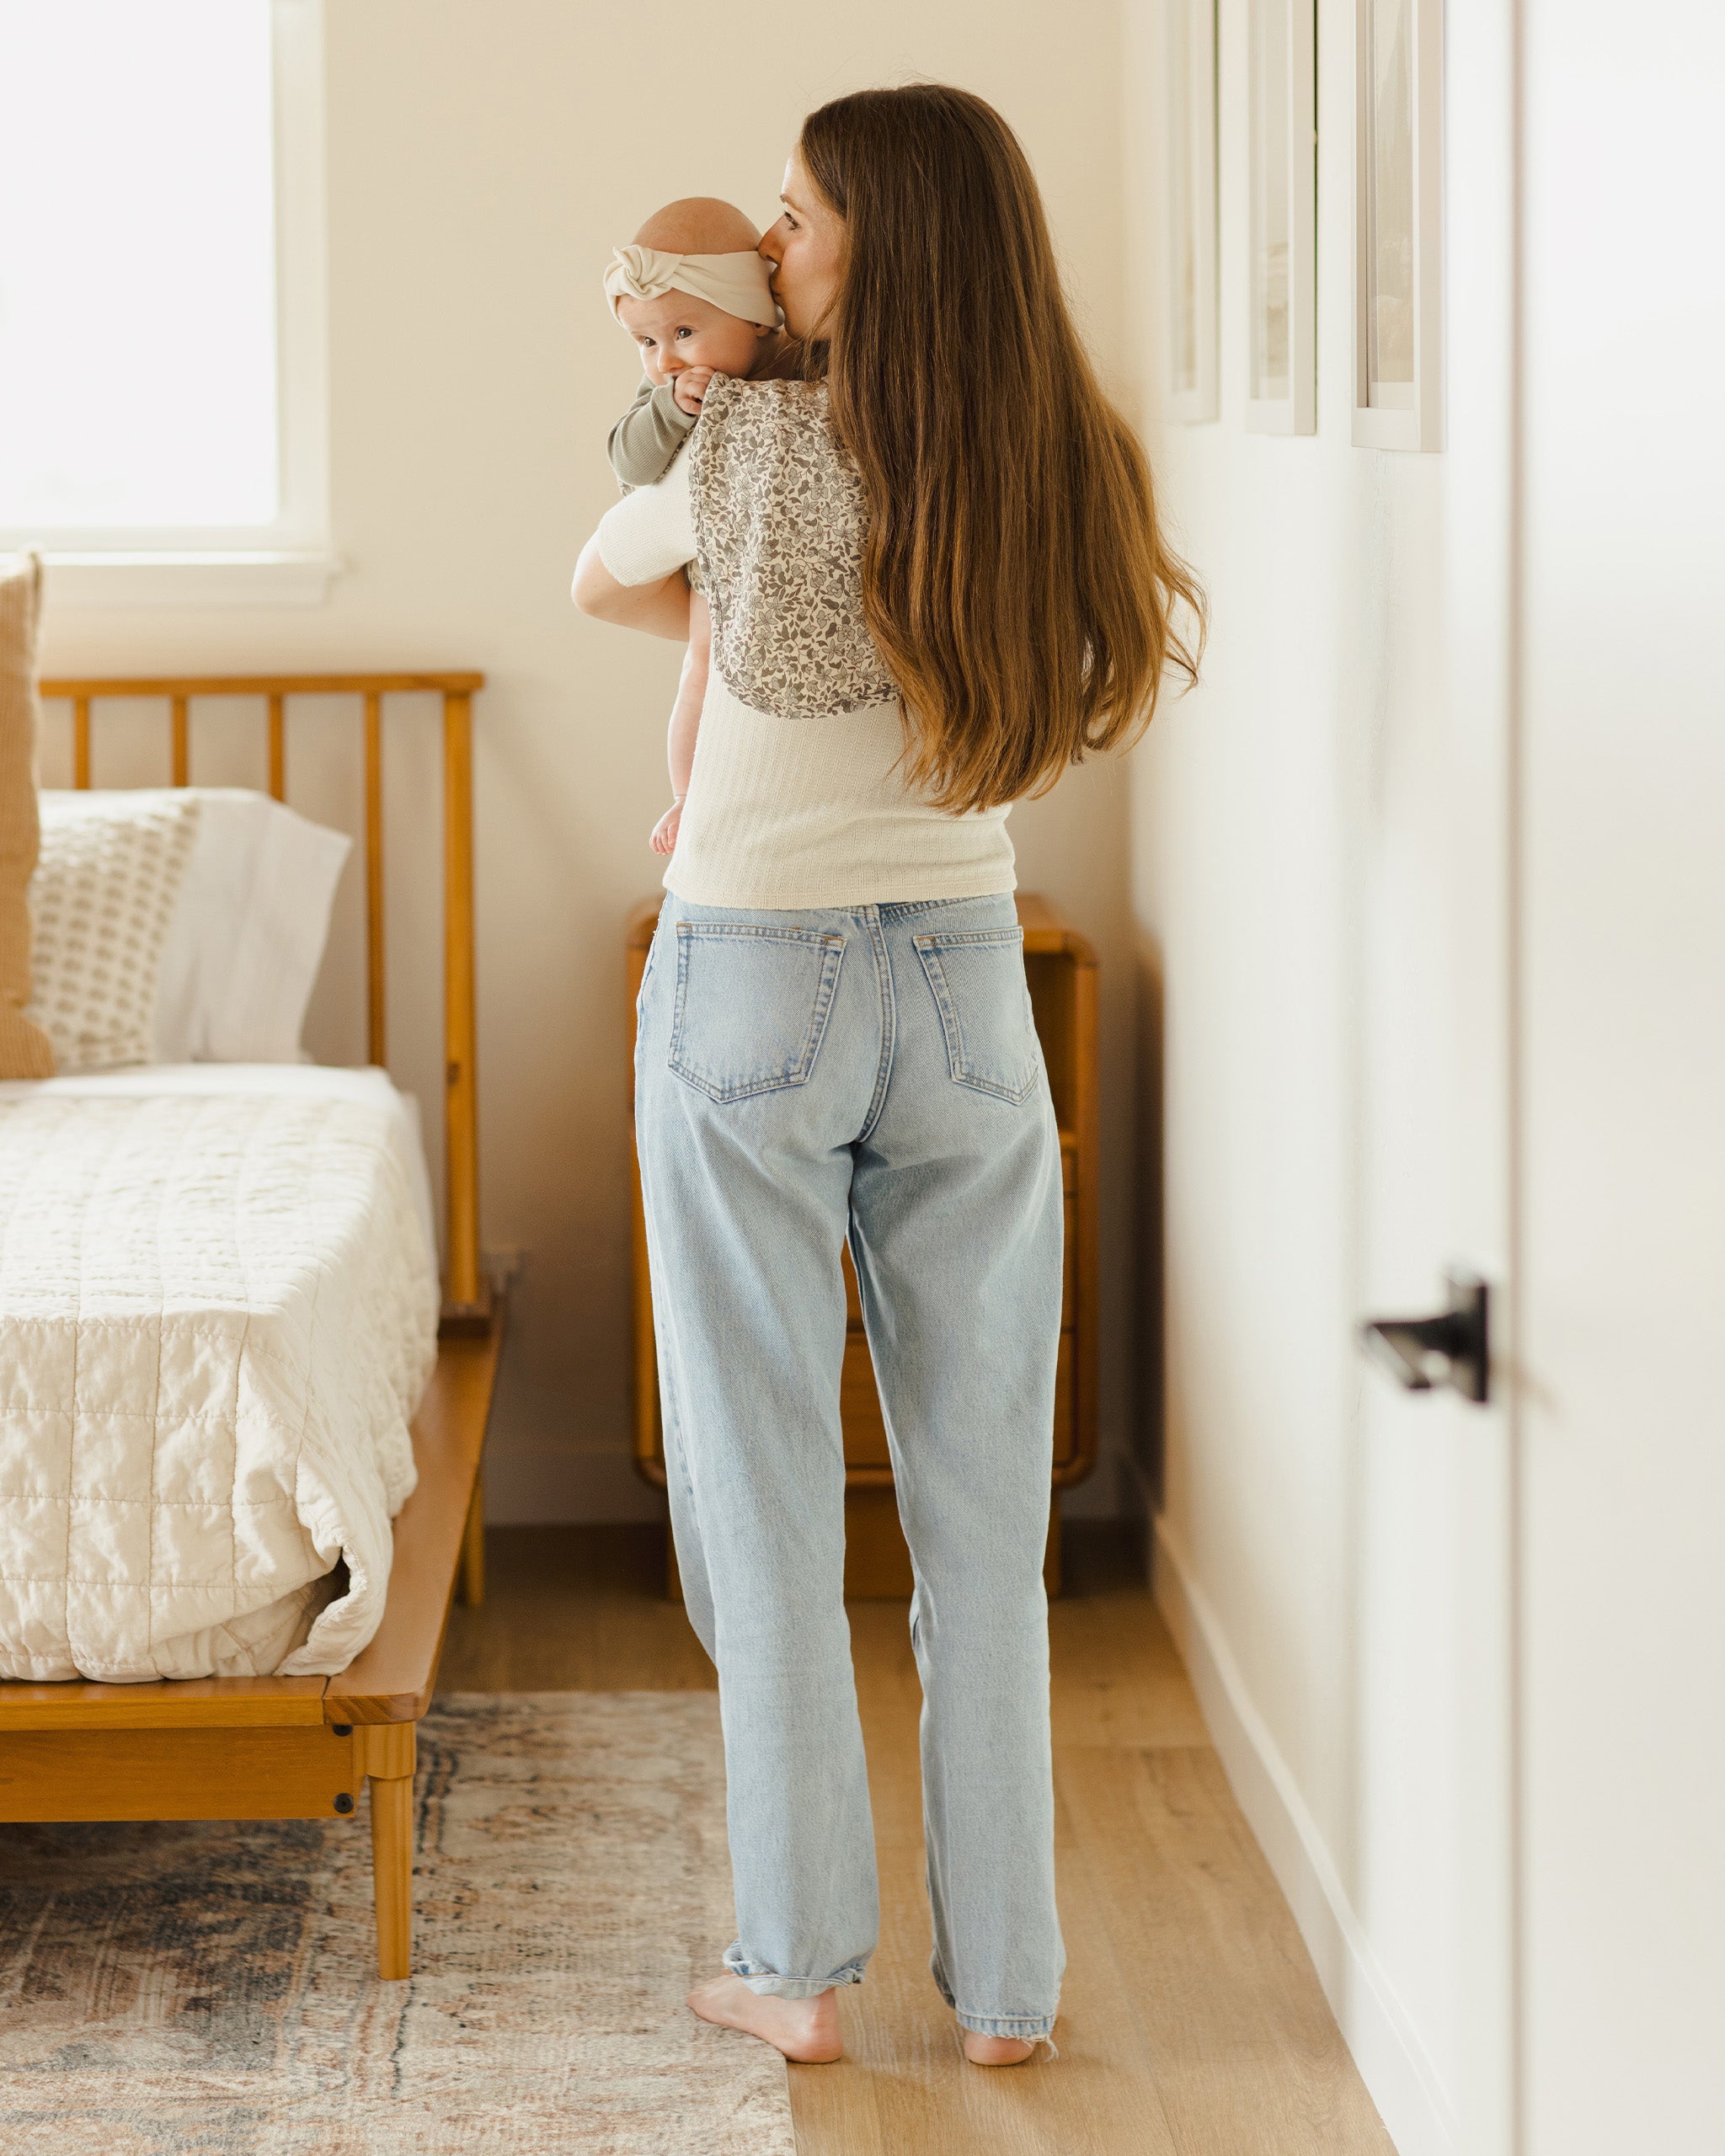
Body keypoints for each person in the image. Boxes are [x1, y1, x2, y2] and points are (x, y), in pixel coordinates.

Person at [574, 83, 1202, 2070]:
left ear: (872, 248)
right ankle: (1010, 1990)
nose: (766, 251)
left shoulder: (746, 436)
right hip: (959, 980)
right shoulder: (1054, 454)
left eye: (792, 216)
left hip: (752, 971)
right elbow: (1068, 665)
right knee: (977, 1510)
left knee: (764, 1495)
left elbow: (598, 568)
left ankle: (798, 1962)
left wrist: (724, 532)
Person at [604, 197, 783, 855]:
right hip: (715, 572)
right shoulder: (662, 400)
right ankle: (688, 797)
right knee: (703, 671)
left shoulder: (794, 371)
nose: (665, 360)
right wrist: (672, 414)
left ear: (757, 317)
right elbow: (627, 464)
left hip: (784, 572)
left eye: (684, 333)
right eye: (646, 341)